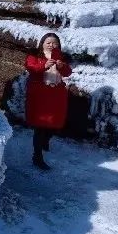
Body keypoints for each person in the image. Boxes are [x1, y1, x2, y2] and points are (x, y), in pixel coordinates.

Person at [24, 32, 71, 170]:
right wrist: (44, 65)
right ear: (42, 44)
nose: (51, 45)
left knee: (55, 123)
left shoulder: (61, 57)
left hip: (56, 95)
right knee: (40, 126)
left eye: (54, 43)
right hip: (39, 95)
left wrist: (62, 67)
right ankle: (37, 156)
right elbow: (31, 67)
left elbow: (67, 72)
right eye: (48, 42)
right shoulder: (34, 55)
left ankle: (45, 141)